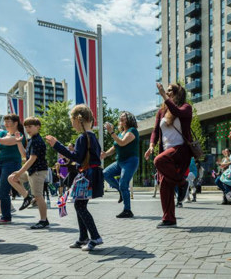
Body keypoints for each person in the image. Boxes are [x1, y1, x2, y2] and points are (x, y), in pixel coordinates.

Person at [45, 104, 104, 251]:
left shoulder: (82, 137)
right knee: (80, 204)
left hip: (87, 175)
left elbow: (76, 156)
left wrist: (57, 145)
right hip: (92, 174)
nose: (72, 124)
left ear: (78, 120)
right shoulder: (92, 137)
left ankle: (95, 237)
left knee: (79, 205)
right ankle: (83, 237)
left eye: (72, 120)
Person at [144, 83, 192, 228]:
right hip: (166, 150)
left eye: (170, 90)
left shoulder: (186, 107)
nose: (167, 92)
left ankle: (183, 183)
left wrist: (164, 96)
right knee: (165, 185)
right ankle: (169, 218)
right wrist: (151, 145)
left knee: (159, 160)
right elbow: (155, 131)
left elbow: (177, 112)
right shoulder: (161, 112)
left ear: (178, 93)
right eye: (167, 90)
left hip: (181, 151)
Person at [0, 114, 26, 225]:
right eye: (5, 121)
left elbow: (4, 141)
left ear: (15, 123)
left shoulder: (19, 135)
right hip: (0, 164)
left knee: (3, 191)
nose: (6, 123)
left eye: (8, 121)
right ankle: (3, 198)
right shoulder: (2, 133)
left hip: (12, 165)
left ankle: (6, 217)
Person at [8, 117, 49, 229]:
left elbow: (31, 159)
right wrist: (18, 142)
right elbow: (25, 156)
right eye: (26, 127)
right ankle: (27, 197)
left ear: (38, 127)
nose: (27, 129)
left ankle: (43, 220)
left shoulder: (37, 140)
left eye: (30, 126)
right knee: (11, 178)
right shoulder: (31, 140)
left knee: (39, 196)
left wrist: (19, 172)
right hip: (31, 171)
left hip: (38, 172)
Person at [101, 111, 140, 218]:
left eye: (124, 116)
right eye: (120, 116)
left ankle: (127, 210)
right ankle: (120, 191)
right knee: (105, 173)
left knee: (123, 183)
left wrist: (111, 132)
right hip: (120, 162)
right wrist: (105, 154)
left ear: (129, 119)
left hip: (130, 161)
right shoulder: (121, 133)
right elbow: (115, 147)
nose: (121, 118)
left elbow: (122, 142)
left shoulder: (133, 131)